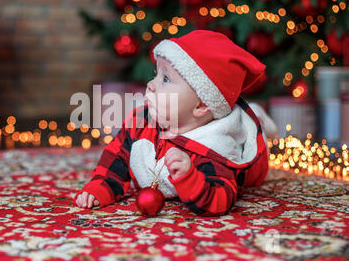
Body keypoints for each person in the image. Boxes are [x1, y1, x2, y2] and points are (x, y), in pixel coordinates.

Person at [75, 30, 277, 216]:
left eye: (166, 79)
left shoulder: (217, 147)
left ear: (200, 105)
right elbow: (116, 155)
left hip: (250, 158)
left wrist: (190, 177)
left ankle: (257, 117)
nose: (150, 85)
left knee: (252, 136)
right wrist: (100, 186)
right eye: (156, 74)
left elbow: (219, 200)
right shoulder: (142, 122)